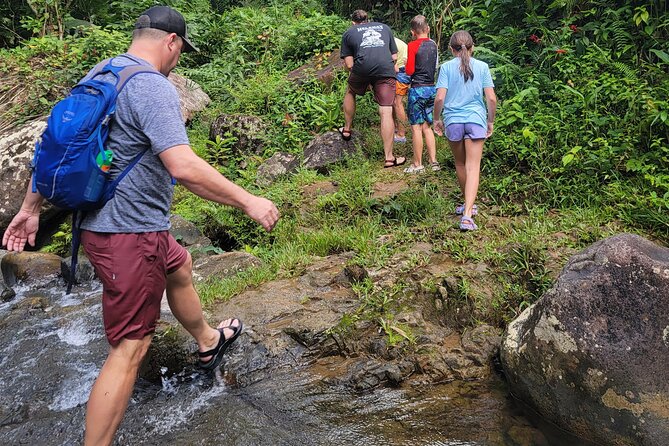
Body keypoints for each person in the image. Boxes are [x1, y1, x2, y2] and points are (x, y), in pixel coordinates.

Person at [1, 6, 280, 445]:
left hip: (112, 225)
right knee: (130, 348)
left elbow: (54, 145)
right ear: (171, 42)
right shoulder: (152, 87)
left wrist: (31, 206)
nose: (178, 60)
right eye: (181, 51)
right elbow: (182, 165)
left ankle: (208, 342)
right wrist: (249, 201)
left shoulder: (105, 73)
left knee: (179, 264)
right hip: (128, 233)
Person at [433, 30, 497, 230]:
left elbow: (440, 98)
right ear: (472, 47)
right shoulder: (483, 66)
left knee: (460, 164)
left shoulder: (446, 68)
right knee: (473, 167)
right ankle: (468, 214)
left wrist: (436, 119)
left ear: (452, 50)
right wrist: (490, 121)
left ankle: (467, 205)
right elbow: (492, 99)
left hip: (453, 121)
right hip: (476, 120)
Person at [339, 9, 406, 168]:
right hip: (385, 70)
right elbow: (394, 57)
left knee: (350, 91)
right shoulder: (384, 27)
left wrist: (364, 75)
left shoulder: (349, 32)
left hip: (362, 68)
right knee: (386, 110)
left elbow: (349, 65)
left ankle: (347, 129)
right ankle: (389, 158)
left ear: (353, 22)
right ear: (368, 20)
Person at [403, 15, 439, 174]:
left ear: (412, 32)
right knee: (427, 127)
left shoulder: (412, 46)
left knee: (416, 128)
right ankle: (434, 162)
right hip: (432, 89)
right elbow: (435, 66)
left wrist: (405, 64)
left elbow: (410, 70)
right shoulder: (434, 45)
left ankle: (417, 164)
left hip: (417, 89)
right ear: (428, 29)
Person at [392, 36, 410, 144]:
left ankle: (401, 135)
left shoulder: (387, 42)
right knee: (393, 101)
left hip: (402, 70)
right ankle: (395, 128)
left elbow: (395, 67)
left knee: (397, 102)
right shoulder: (391, 39)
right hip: (403, 68)